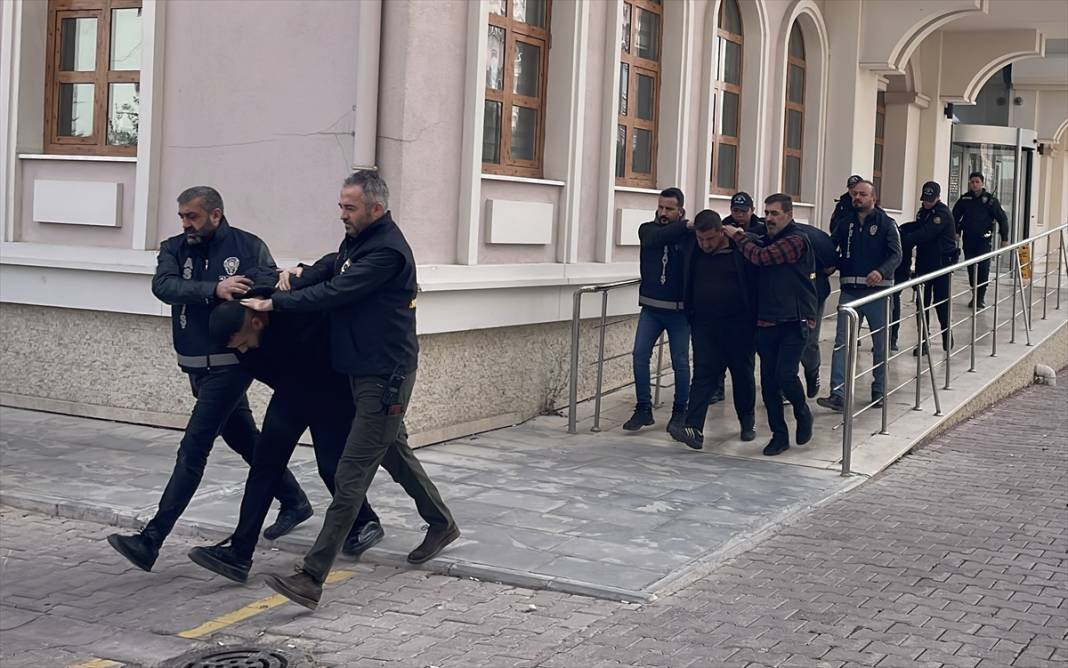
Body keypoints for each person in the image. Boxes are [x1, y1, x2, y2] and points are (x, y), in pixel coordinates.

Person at [242, 170, 457, 610]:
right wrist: (291, 275)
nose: (341, 213)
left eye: (349, 207)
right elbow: (328, 267)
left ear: (375, 208)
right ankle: (441, 523)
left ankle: (311, 576)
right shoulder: (358, 241)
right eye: (341, 205)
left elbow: (336, 292)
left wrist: (275, 302)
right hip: (362, 372)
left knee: (350, 475)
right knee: (395, 454)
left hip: (385, 376)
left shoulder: (387, 253)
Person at [107, 187, 311, 572]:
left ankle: (151, 539)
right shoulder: (173, 248)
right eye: (182, 216)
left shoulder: (247, 246)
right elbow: (163, 286)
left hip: (229, 367)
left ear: (215, 215)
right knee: (242, 437)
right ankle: (294, 498)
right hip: (194, 366)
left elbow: (265, 281)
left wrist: (253, 286)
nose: (186, 224)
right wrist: (212, 289)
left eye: (193, 217)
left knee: (193, 448)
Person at [185, 295, 386, 583]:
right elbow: (264, 366)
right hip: (290, 397)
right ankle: (239, 554)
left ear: (256, 321)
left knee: (331, 468)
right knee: (264, 469)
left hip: (331, 395)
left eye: (242, 342)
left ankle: (365, 521)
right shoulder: (240, 340)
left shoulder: (296, 314)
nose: (241, 350)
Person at [724, 194, 816, 457]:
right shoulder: (767, 237)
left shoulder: (796, 240)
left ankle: (802, 412)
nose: (769, 218)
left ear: (789, 214)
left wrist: (738, 236)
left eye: (775, 213)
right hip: (767, 320)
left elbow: (762, 257)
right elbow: (759, 244)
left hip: (794, 320)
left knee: (785, 375)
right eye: (767, 213)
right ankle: (779, 435)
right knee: (768, 382)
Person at [669, 210, 758, 450]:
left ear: (722, 231)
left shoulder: (739, 250)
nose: (705, 244)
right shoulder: (693, 248)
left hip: (739, 325)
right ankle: (693, 428)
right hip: (704, 325)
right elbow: (655, 235)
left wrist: (739, 235)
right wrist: (687, 226)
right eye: (701, 239)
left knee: (742, 375)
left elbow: (762, 245)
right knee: (703, 375)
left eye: (710, 239)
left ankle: (747, 423)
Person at [818, 180, 902, 412]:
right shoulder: (845, 224)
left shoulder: (886, 223)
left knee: (880, 345)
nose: (857, 198)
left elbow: (897, 255)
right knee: (841, 344)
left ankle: (879, 389)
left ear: (873, 198)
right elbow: (831, 247)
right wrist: (829, 265)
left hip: (878, 293)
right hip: (849, 293)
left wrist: (880, 271)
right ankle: (838, 394)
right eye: (855, 194)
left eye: (862, 194)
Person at [622, 188, 692, 433]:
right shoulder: (647, 229)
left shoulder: (688, 236)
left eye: (669, 209)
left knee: (680, 363)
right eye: (660, 207)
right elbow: (656, 238)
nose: (663, 213)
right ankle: (643, 408)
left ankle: (680, 411)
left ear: (680, 211)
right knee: (640, 356)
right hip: (651, 308)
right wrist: (685, 225)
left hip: (679, 312)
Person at [704, 191, 768, 407]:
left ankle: (750, 408)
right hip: (725, 301)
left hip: (752, 301)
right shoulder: (723, 227)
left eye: (743, 211)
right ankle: (717, 388)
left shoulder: (761, 228)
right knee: (719, 355)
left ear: (752, 211)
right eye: (735, 210)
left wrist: (740, 235)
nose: (739, 215)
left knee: (746, 360)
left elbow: (763, 246)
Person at [903, 181, 956, 354]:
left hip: (941, 265)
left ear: (938, 197)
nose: (926, 202)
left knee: (941, 302)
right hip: (924, 264)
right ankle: (923, 340)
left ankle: (947, 335)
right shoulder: (923, 212)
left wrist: (906, 239)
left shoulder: (942, 214)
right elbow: (918, 227)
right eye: (925, 199)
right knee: (921, 304)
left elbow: (926, 233)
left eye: (930, 200)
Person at [794, 222, 838, 398]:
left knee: (808, 341)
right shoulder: (769, 236)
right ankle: (784, 385)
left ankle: (812, 372)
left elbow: (830, 267)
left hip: (813, 296)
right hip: (783, 297)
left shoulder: (815, 239)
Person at [952, 171, 1009, 308]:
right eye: (972, 182)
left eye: (977, 182)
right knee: (971, 268)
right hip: (969, 239)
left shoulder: (990, 201)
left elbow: (1002, 218)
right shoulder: (965, 199)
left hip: (984, 240)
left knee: (983, 268)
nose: (974, 184)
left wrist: (1004, 238)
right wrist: (956, 231)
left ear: (982, 183)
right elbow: (955, 216)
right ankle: (974, 294)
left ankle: (980, 297)